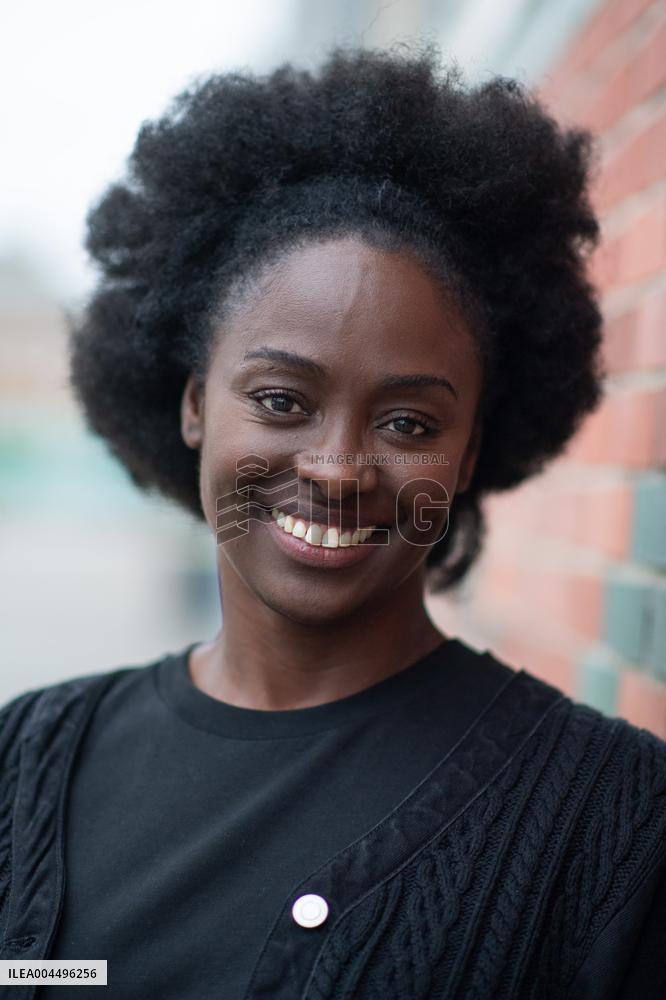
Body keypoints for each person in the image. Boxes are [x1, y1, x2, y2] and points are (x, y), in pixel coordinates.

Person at [1, 42, 664, 1000]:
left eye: (408, 422)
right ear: (194, 405)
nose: (338, 468)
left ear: (470, 452)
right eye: (280, 399)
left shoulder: (612, 824)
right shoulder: (29, 763)